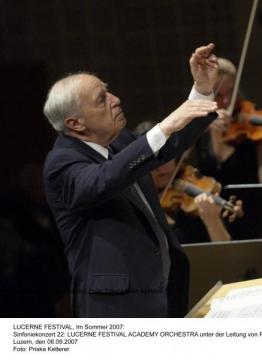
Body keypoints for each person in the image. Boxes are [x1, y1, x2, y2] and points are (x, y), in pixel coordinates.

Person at [42, 44, 219, 317]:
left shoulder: (120, 141)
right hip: (117, 310)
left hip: (164, 294)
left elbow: (168, 145)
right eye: (102, 99)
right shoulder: (61, 163)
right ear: (75, 123)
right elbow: (105, 178)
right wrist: (165, 125)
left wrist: (202, 90)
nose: (116, 99)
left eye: (108, 90)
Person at [196, 57, 262, 185]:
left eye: (230, 92)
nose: (226, 101)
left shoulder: (254, 126)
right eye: (218, 94)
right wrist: (201, 125)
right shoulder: (197, 125)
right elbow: (176, 164)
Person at [151, 159, 233, 244]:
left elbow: (228, 253)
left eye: (165, 159)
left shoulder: (195, 205)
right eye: (152, 162)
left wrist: (212, 221)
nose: (159, 167)